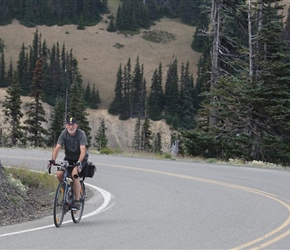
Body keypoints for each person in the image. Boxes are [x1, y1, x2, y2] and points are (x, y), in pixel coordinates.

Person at [48, 117, 89, 210]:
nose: (71, 127)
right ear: (66, 125)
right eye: (69, 125)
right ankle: (64, 192)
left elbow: (83, 150)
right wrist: (53, 160)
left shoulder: (81, 134)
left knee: (74, 174)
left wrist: (79, 163)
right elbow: (57, 147)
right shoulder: (64, 133)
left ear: (76, 125)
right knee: (59, 174)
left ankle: (77, 201)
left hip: (81, 158)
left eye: (73, 124)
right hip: (69, 157)